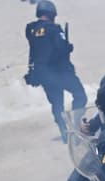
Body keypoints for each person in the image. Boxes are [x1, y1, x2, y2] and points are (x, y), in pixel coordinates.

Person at [24, 1, 86, 143]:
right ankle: (75, 127)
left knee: (57, 104)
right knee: (80, 95)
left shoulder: (31, 30)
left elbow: (34, 51)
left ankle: (64, 132)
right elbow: (61, 49)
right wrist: (69, 47)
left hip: (43, 75)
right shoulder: (55, 29)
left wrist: (31, 72)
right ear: (52, 13)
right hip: (61, 73)